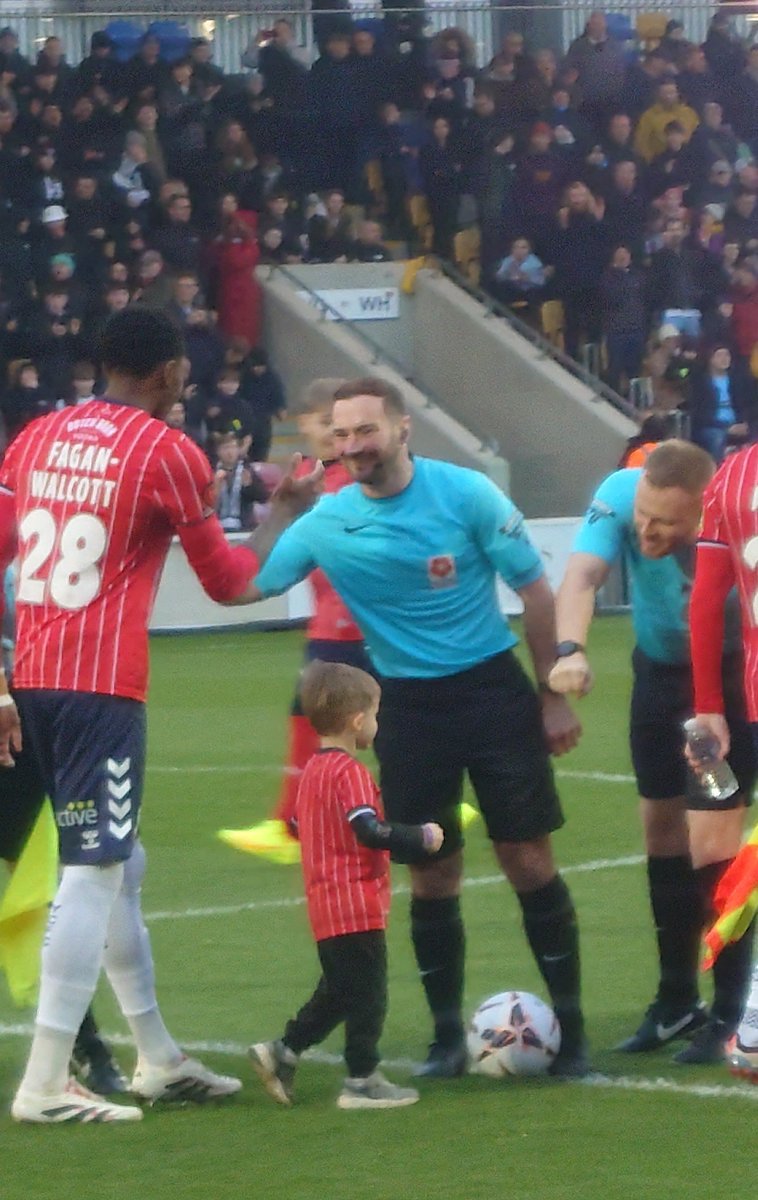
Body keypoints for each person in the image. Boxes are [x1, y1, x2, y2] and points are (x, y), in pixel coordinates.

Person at [0, 306, 322, 1123]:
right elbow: (229, 584)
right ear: (171, 373)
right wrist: (287, 512)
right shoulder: (168, 453)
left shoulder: (36, 437)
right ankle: (43, 1084)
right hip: (102, 687)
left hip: (33, 677)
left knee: (123, 864)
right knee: (95, 868)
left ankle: (157, 1058)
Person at [245, 376, 588, 1079]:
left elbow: (534, 587)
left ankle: (573, 1030)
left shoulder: (465, 494)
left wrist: (552, 692)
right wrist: (280, 512)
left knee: (528, 858)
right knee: (433, 869)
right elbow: (246, 583)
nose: (351, 446)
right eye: (341, 435)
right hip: (406, 705)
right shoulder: (326, 521)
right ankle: (442, 1041)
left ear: (403, 430)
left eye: (365, 431)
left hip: (493, 690)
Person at [549, 441, 755, 1063]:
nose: (646, 529)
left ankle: (729, 1013)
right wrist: (570, 650)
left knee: (714, 845)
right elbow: (581, 576)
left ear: (703, 511)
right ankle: (675, 1003)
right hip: (659, 678)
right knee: (662, 833)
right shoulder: (621, 495)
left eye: (664, 521)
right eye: (643, 513)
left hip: (721, 687)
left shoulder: (734, 518)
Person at [250, 660, 443, 1109]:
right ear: (358, 720)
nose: (377, 723)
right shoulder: (350, 772)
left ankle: (282, 1052)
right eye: (375, 714)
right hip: (354, 901)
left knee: (341, 988)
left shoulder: (312, 772)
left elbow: (299, 825)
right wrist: (421, 837)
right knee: (369, 993)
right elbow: (369, 830)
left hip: (324, 902)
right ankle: (362, 1079)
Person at [219, 378, 373, 865]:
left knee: (346, 719)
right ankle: (291, 823)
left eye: (338, 423)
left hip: (360, 622)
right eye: (324, 422)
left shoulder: (353, 478)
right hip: (330, 623)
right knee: (317, 718)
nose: (332, 431)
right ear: (302, 423)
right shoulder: (311, 474)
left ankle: (293, 826)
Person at [688, 442, 758, 1076]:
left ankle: (739, 1018)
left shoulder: (732, 474)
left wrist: (709, 703)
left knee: (721, 854)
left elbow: (708, 598)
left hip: (751, 700)